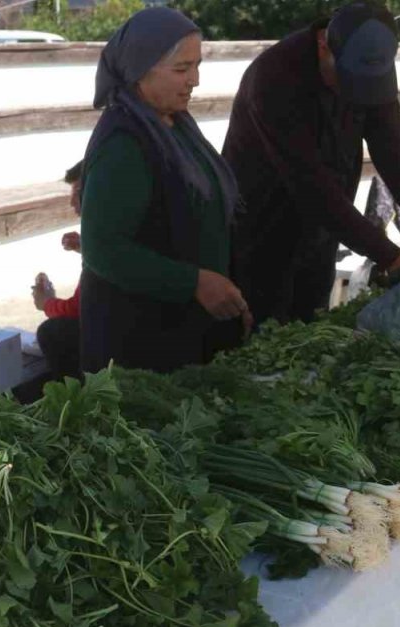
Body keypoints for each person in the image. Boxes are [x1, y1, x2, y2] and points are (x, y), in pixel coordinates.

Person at [222, 2, 400, 325]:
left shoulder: (371, 63)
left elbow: (390, 140)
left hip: (324, 226)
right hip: (262, 226)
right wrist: (391, 257)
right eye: (345, 78)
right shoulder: (273, 78)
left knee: (312, 321)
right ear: (323, 44)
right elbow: (310, 184)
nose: (353, 91)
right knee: (263, 328)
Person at [78, 7, 249, 374]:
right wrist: (195, 282)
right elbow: (104, 249)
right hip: (137, 344)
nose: (195, 80)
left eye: (197, 65)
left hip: (182, 331)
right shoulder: (125, 141)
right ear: (140, 69)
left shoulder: (175, 123)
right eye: (181, 69)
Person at [32, 162, 84, 379]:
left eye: (78, 193)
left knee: (52, 332)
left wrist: (47, 303)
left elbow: (78, 310)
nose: (72, 202)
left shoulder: (108, 240)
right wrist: (86, 248)